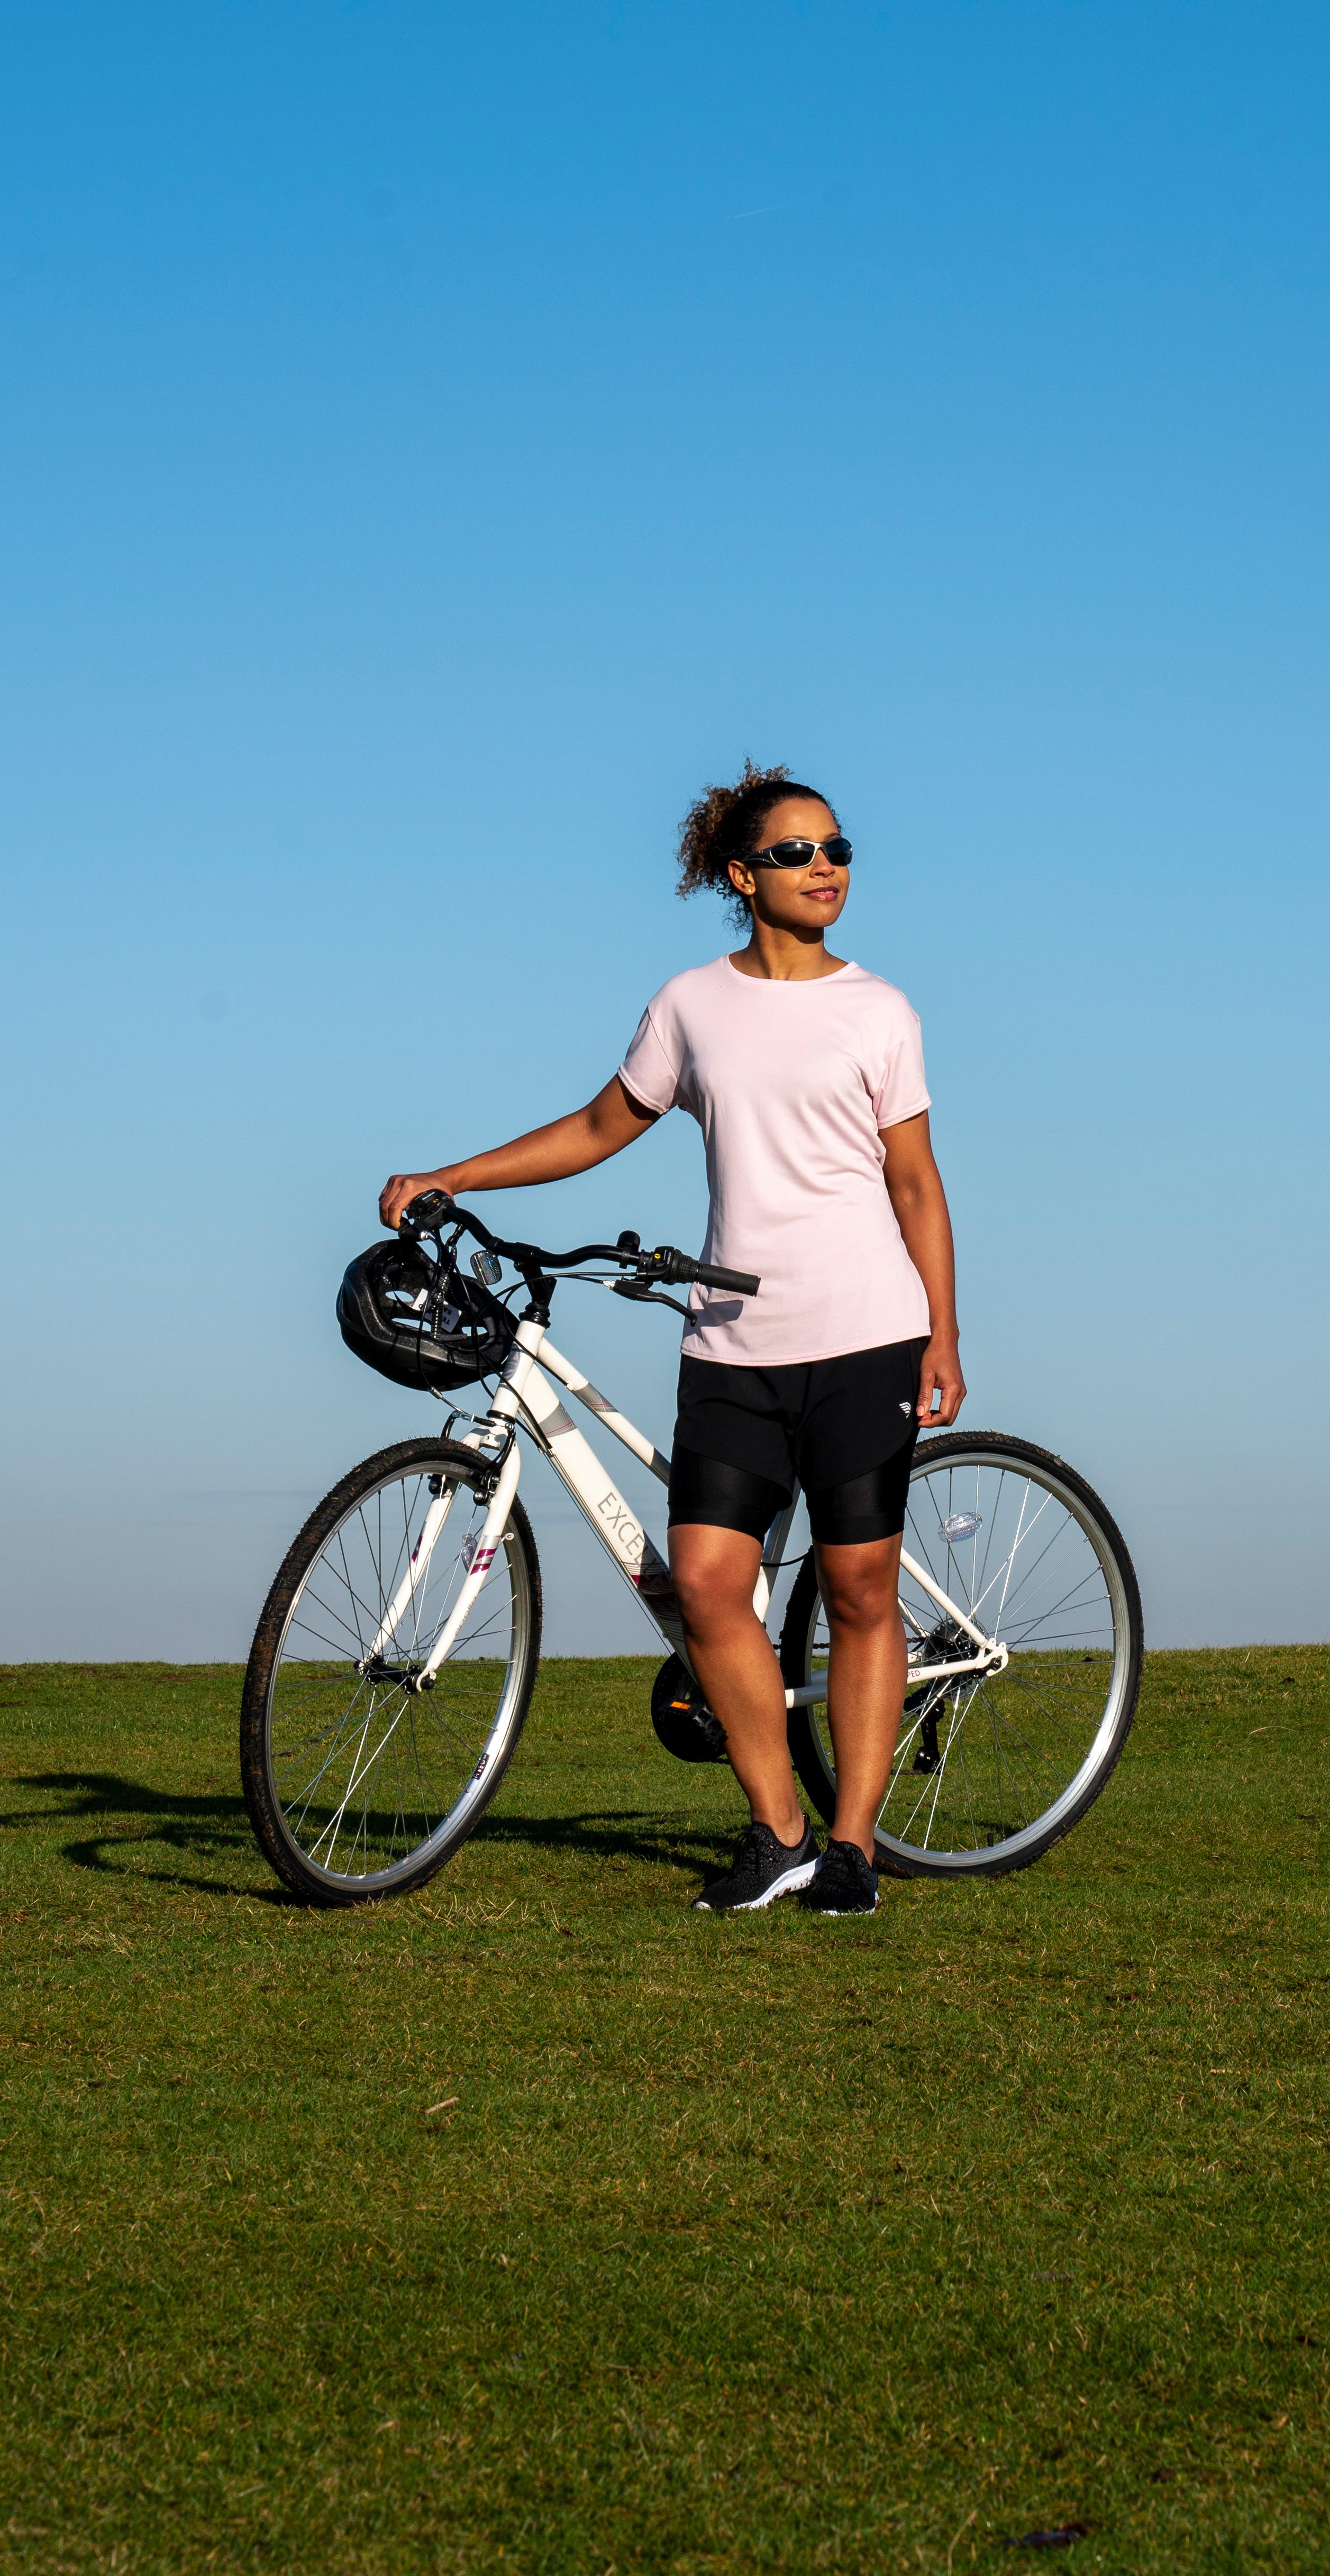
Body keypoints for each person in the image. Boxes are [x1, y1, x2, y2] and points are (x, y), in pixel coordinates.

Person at [376, 764, 962, 1918]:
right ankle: (780, 1832)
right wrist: (456, 1173)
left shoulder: (879, 1010)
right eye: (795, 852)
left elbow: (914, 1182)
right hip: (731, 1345)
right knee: (704, 1585)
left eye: (837, 847)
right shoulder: (692, 1005)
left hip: (866, 1335)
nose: (826, 867)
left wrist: (943, 1331)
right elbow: (604, 1123)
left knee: (857, 1588)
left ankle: (852, 1849)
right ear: (743, 876)